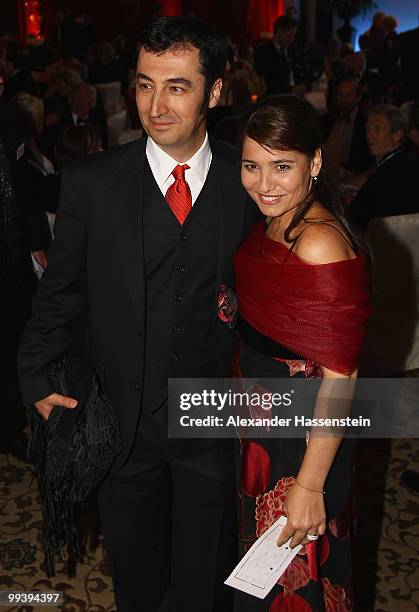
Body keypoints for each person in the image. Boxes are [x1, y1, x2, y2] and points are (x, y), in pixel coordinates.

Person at [18, 16, 259, 612]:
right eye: (145, 84)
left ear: (215, 92)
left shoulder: (248, 182)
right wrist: (33, 375)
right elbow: (59, 291)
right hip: (124, 421)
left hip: (213, 420)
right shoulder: (92, 184)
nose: (156, 104)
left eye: (177, 86)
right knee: (135, 574)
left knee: (206, 579)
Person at [232, 95, 371, 610]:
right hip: (266, 432)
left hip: (303, 445)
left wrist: (310, 487)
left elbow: (342, 376)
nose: (263, 183)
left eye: (282, 166)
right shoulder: (278, 220)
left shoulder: (318, 242)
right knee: (262, 579)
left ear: (314, 163)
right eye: (252, 165)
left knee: (297, 584)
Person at [350, 104, 419, 231]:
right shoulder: (393, 163)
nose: (369, 135)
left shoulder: (395, 171)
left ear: (397, 135)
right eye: (368, 129)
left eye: (377, 129)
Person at [254, 15, 301, 96]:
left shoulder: (293, 51)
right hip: (272, 101)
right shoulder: (263, 52)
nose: (292, 40)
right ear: (279, 32)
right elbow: (267, 82)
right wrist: (291, 89)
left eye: (294, 36)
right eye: (289, 36)